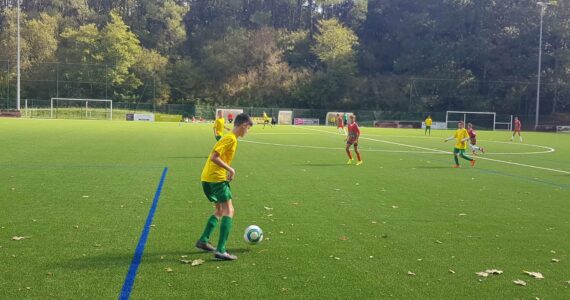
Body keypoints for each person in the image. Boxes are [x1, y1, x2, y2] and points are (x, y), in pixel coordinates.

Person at [195, 113, 254, 261]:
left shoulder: (229, 137)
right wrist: (231, 169)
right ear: (243, 126)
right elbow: (215, 156)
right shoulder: (230, 138)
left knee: (220, 210)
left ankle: (203, 240)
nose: (248, 131)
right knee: (229, 210)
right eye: (248, 128)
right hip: (216, 178)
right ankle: (221, 250)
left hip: (207, 177)